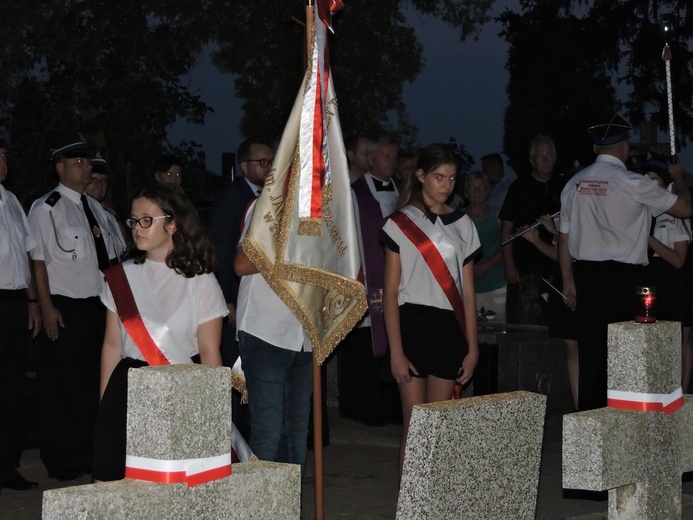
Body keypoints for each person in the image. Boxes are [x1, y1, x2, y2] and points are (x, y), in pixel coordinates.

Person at [93, 185, 228, 481]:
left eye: (146, 220)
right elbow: (112, 346)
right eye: (133, 220)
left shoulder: (200, 280)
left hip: (179, 389)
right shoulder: (120, 277)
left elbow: (209, 351)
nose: (136, 228)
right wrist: (105, 406)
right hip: (126, 387)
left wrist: (212, 409)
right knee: (116, 480)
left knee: (171, 482)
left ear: (172, 224)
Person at [558, 114, 691, 411]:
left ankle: (592, 417)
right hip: (624, 278)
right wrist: (678, 177)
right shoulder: (634, 183)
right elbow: (683, 209)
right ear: (625, 147)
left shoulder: (574, 184)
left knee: (592, 354)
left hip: (585, 276)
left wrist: (568, 281)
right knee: (625, 354)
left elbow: (564, 240)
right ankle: (624, 417)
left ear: (595, 149)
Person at [381, 143, 480, 480]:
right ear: (421, 176)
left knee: (438, 426)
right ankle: (407, 508)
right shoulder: (400, 223)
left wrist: (473, 347)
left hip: (449, 328)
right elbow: (390, 293)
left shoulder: (463, 223)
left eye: (452, 178)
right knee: (414, 425)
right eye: (439, 177)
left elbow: (468, 291)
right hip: (412, 326)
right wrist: (395, 351)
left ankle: (434, 505)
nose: (446, 185)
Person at [28, 134, 123, 481]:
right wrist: (45, 306)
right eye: (79, 163)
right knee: (61, 386)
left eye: (87, 163)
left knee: (90, 385)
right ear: (60, 167)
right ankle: (61, 459)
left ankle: (86, 453)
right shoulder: (47, 207)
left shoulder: (95, 208)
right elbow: (38, 261)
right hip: (65, 306)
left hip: (98, 306)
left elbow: (110, 261)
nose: (86, 169)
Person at [234, 200, 313, 476]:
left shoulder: (323, 209)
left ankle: (289, 509)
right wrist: (296, 249)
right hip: (264, 330)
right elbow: (241, 264)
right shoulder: (269, 202)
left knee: (296, 437)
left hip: (305, 334)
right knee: (269, 434)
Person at [339, 136, 401, 425]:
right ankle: (364, 407)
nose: (392, 162)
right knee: (364, 347)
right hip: (367, 282)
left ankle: (391, 407)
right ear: (372, 159)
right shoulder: (354, 193)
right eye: (386, 156)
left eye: (394, 156)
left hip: (398, 283)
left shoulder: (403, 192)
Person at [0, 139, 42, 491]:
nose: (2, 162)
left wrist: (32, 302)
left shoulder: (11, 200)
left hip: (14, 303)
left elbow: (28, 254)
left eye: (3, 155)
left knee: (11, 388)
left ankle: (6, 466)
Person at [499, 135, 562, 325]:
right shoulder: (519, 188)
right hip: (525, 271)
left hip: (555, 270)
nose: (546, 159)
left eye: (549, 155)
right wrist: (509, 265)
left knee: (554, 326)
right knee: (524, 325)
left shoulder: (563, 186)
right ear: (532, 161)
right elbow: (506, 230)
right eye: (541, 156)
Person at [464, 171, 506, 322]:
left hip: (495, 284)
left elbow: (506, 246)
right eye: (472, 187)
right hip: (467, 286)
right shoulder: (457, 217)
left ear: (488, 191)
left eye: (481, 187)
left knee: (496, 331)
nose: (477, 191)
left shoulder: (498, 215)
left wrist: (484, 267)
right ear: (466, 192)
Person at [85, 154, 127, 255]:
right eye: (94, 179)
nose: (99, 184)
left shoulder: (109, 214)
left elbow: (127, 246)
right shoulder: (77, 212)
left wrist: (116, 218)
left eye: (103, 180)